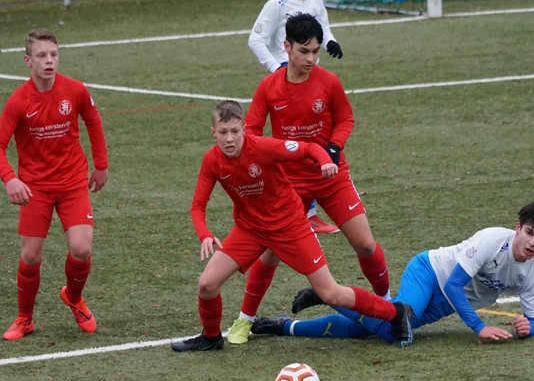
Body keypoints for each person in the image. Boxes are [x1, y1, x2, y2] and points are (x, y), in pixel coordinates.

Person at [171, 100, 411, 352]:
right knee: (206, 284)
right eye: (223, 132)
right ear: (213, 133)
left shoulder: (263, 148)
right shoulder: (211, 160)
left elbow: (308, 148)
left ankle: (395, 312)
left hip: (290, 227)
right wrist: (204, 234)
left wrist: (326, 161)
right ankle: (211, 338)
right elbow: (198, 205)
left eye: (234, 131)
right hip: (250, 230)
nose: (229, 139)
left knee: (330, 293)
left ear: (244, 129)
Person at [225, 13, 392, 346]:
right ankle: (244, 320)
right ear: (286, 47)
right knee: (270, 252)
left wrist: (333, 147)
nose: (311, 59)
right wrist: (272, 157)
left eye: (316, 51)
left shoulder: (329, 82)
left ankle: (388, 304)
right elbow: (253, 132)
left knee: (365, 243)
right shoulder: (269, 87)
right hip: (288, 185)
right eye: (304, 51)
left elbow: (345, 119)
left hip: (331, 176)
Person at [252, 203, 534, 346]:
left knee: (371, 330)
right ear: (518, 228)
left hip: (443, 306)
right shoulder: (492, 240)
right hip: (429, 273)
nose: (532, 243)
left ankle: (285, 327)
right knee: (393, 331)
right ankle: (328, 294)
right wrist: (479, 327)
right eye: (529, 232)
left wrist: (528, 328)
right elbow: (454, 285)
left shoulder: (531, 273)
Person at [0, 28, 109, 340]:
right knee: (31, 255)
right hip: (35, 188)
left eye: (54, 55)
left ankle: (74, 297)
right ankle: (24, 319)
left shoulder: (75, 90)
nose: (49, 61)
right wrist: (10, 179)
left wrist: (101, 165)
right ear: (28, 61)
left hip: (72, 182)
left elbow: (93, 121)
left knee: (81, 248)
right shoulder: (19, 100)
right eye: (41, 55)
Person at [247, 0, 343, 236]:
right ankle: (293, 210)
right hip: (286, 83)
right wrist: (276, 68)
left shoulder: (315, 0)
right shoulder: (277, 4)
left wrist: (331, 42)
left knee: (317, 136)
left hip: (312, 81)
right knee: (292, 143)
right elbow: (255, 39)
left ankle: (308, 212)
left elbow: (323, 28)